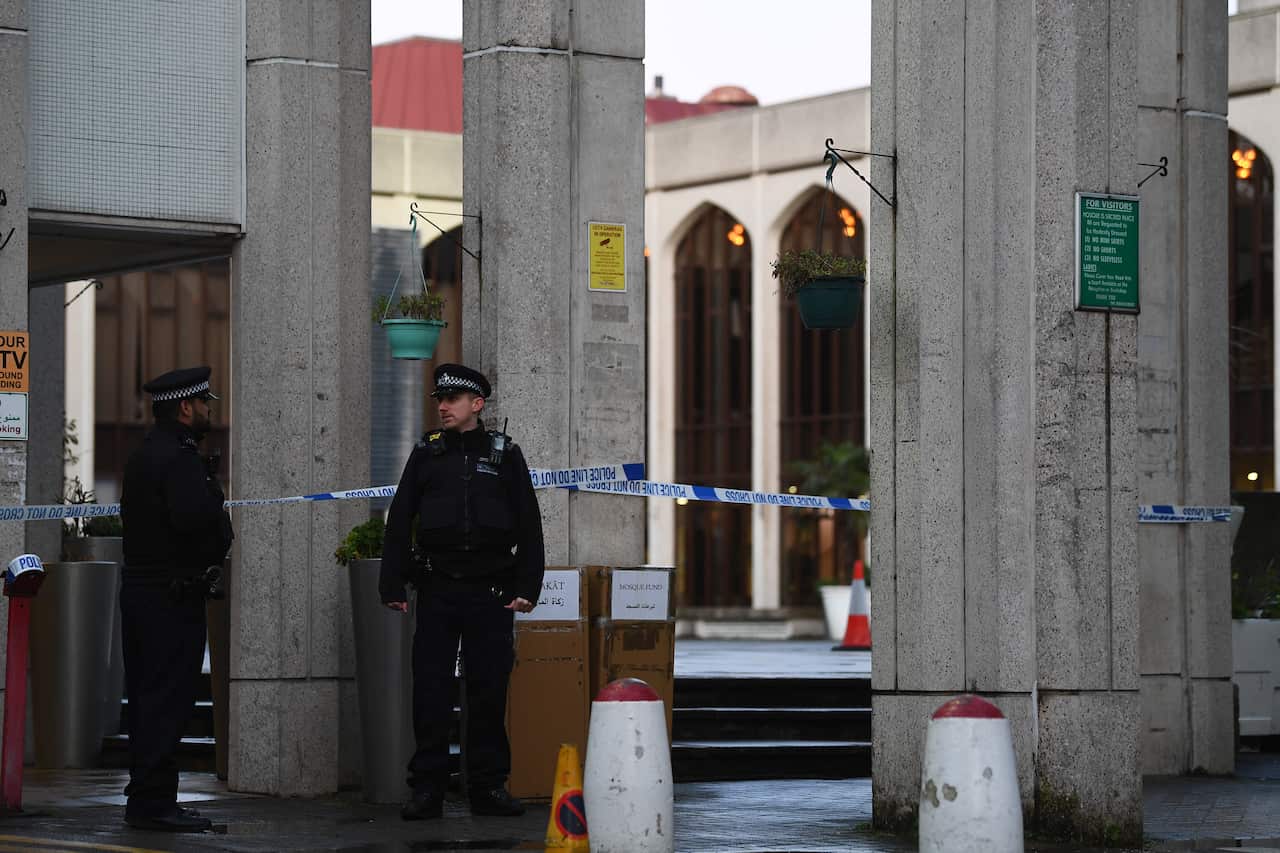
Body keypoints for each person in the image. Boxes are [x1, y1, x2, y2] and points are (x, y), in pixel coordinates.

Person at [381, 363, 545, 820]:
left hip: (490, 592)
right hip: (438, 589)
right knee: (430, 691)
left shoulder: (505, 455)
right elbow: (400, 519)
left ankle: (488, 787)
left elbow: (529, 525)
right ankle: (427, 789)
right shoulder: (427, 454)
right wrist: (392, 581)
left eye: (452, 399)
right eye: (440, 399)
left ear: (477, 404)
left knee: (488, 691)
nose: (443, 406)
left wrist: (527, 586)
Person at [119, 366, 233, 832]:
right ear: (186, 407)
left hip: (144, 594)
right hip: (171, 597)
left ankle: (149, 797)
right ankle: (155, 804)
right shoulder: (180, 460)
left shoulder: (145, 454)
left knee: (149, 700)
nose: (208, 410)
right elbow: (199, 525)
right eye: (204, 402)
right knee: (167, 702)